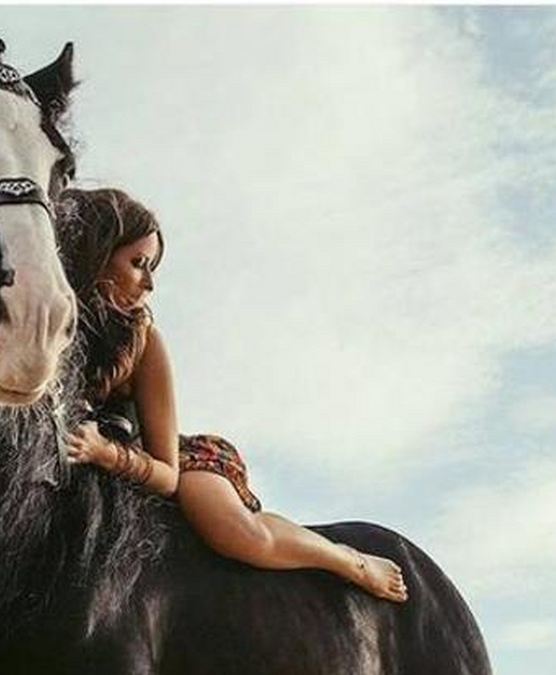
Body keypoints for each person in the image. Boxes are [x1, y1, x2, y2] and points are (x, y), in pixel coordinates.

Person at [60, 188, 407, 603]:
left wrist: (106, 453)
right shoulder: (48, 325)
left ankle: (349, 561)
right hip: (99, 459)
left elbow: (167, 475)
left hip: (174, 461)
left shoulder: (145, 342)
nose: (150, 283)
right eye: (138, 264)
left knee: (239, 535)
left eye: (151, 267)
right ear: (95, 253)